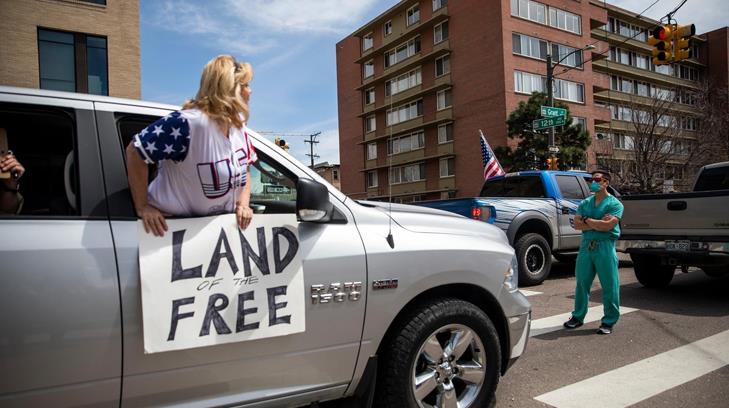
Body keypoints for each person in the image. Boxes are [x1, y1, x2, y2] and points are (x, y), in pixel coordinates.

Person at [126, 55, 258, 236]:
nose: (250, 91)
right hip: (167, 232)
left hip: (211, 235)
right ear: (229, 88)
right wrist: (142, 206)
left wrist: (243, 205)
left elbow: (247, 166)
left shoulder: (238, 126)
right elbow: (135, 151)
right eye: (245, 85)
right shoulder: (187, 123)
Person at [563, 170, 624, 335]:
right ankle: (577, 317)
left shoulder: (615, 204)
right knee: (582, 283)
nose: (593, 182)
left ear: (606, 183)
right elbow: (577, 224)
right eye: (591, 180)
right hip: (586, 246)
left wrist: (587, 221)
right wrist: (596, 222)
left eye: (597, 179)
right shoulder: (585, 203)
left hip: (605, 246)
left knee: (610, 285)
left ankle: (609, 321)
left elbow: (608, 226)